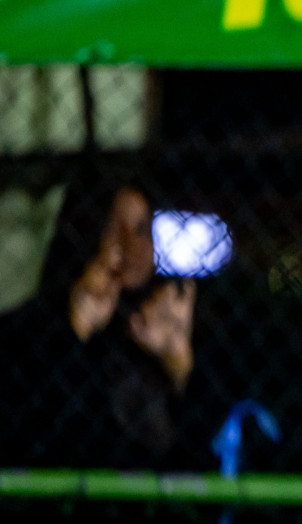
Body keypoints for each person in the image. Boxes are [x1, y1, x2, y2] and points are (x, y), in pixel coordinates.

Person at [0, 176, 201, 470]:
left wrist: (179, 362)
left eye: (143, 230)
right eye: (115, 228)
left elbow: (199, 458)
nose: (133, 246)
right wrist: (74, 331)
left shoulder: (167, 319)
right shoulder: (27, 330)